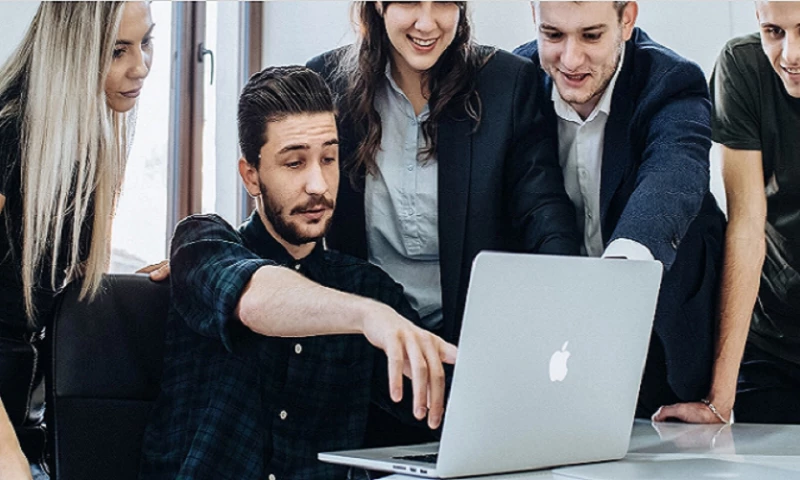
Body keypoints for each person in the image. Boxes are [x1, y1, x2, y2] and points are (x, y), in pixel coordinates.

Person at [139, 65, 457, 480]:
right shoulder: (201, 244)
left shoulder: (367, 287)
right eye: (294, 163)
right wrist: (367, 317)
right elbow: (254, 297)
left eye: (328, 159)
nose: (318, 185)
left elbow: (448, 403)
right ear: (251, 176)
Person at [307, 0, 580, 349]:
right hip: (365, 344)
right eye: (410, 2)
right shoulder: (326, 82)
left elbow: (543, 213)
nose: (427, 23)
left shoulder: (507, 83)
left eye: (443, 2)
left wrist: (568, 304)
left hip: (473, 344)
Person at [514, 1, 726, 420]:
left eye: (591, 35)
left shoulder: (672, 81)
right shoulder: (513, 81)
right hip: (552, 343)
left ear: (626, 19)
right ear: (534, 17)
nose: (571, 60)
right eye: (553, 35)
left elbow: (675, 171)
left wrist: (620, 274)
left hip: (660, 345)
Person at [0, 3, 162, 478]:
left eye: (145, 42)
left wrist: (138, 289)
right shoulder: (9, 132)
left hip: (29, 424)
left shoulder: (84, 141)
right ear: (73, 51)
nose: (140, 67)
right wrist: (8, 457)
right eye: (117, 51)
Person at [659, 1, 800, 424]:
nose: (790, 55)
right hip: (774, 343)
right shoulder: (743, 66)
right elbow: (746, 227)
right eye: (774, 31)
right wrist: (719, 400)